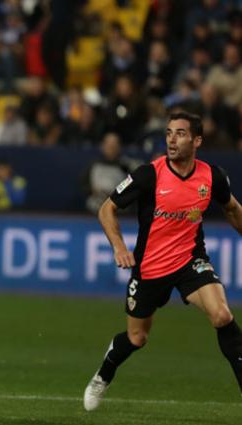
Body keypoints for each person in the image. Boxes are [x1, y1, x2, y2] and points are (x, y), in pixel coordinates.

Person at [83, 111, 242, 411]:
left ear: (197, 140)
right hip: (150, 269)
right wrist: (119, 246)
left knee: (222, 315)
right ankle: (104, 374)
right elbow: (107, 209)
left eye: (180, 133)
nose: (171, 139)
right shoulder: (148, 175)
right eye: (169, 132)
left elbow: (232, 209)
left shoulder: (212, 177)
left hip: (190, 262)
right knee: (137, 338)